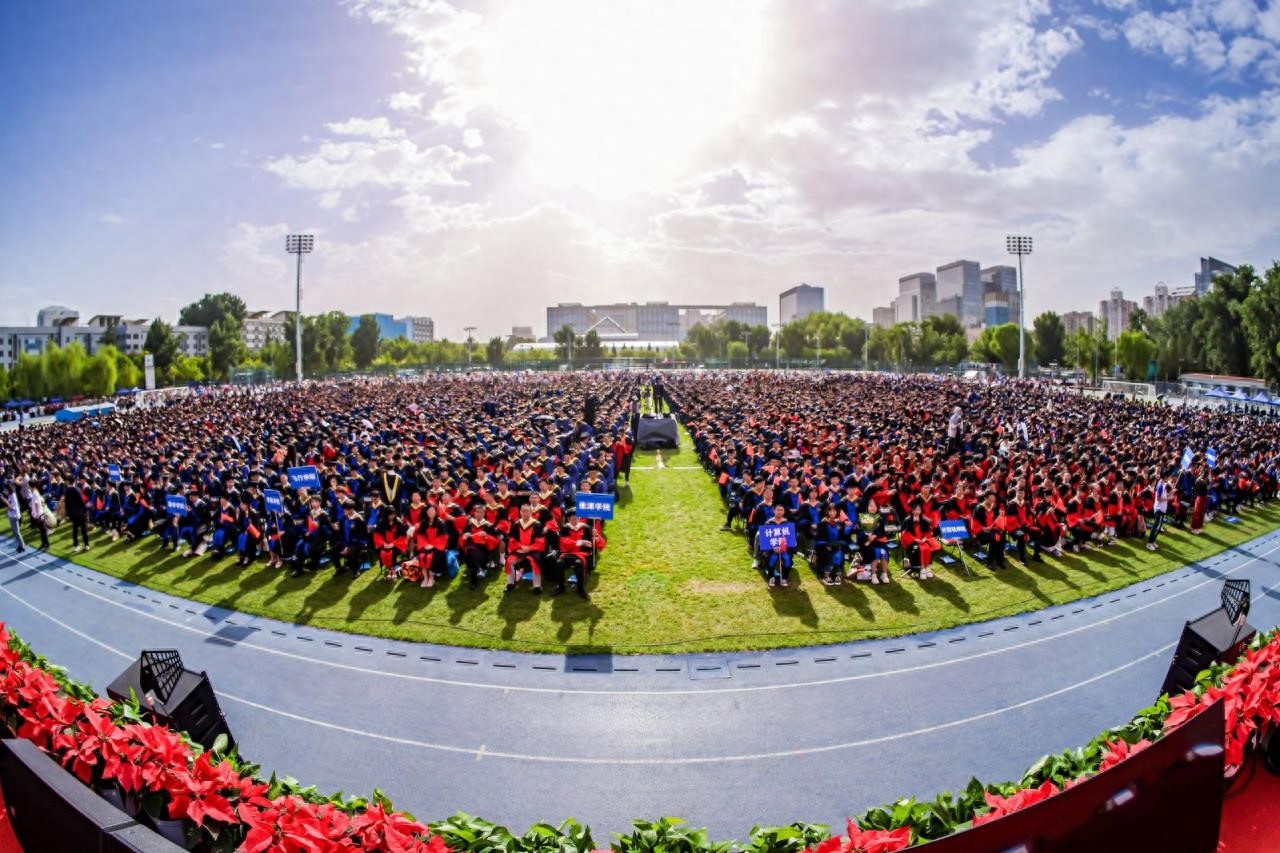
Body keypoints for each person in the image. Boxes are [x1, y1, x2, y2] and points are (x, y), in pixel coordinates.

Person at [60, 478, 90, 553]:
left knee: (75, 530)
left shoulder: (67, 492)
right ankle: (86, 545)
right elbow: (81, 501)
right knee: (84, 530)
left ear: (68, 482)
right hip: (81, 513)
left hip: (74, 514)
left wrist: (69, 514)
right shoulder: (77, 490)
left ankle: (76, 546)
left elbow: (67, 504)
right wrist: (85, 511)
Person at [1148, 470, 1173, 551]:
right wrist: (1168, 498)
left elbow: (1163, 495)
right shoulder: (1160, 485)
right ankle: (1149, 543)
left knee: (1159, 527)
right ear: (1165, 476)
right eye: (1169, 476)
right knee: (1156, 526)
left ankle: (1153, 541)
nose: (1170, 477)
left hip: (1162, 508)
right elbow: (1158, 498)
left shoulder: (1164, 484)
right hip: (1158, 508)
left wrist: (1169, 494)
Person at [6, 484, 25, 554]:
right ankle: (19, 545)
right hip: (11, 516)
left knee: (17, 532)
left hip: (14, 516)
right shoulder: (10, 495)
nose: (5, 491)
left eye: (6, 489)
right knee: (14, 532)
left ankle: (22, 546)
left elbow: (12, 508)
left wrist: (5, 501)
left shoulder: (13, 496)